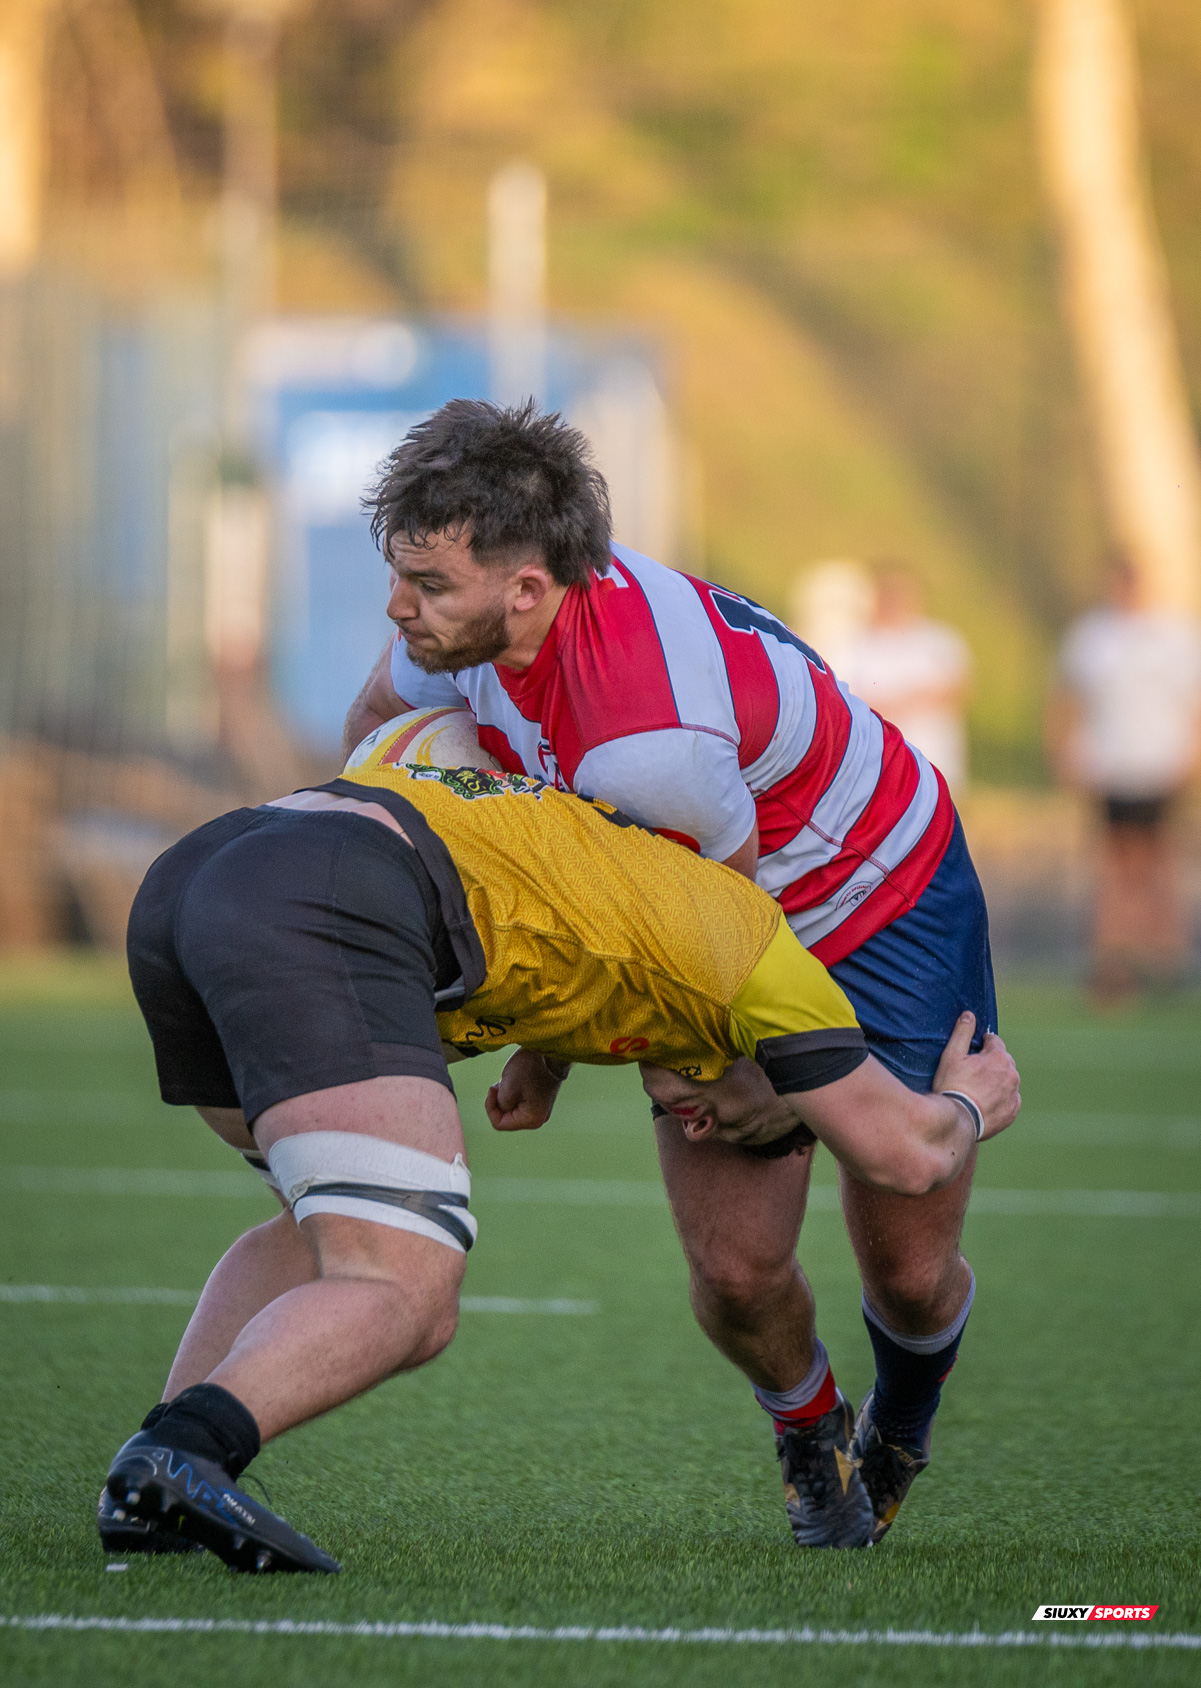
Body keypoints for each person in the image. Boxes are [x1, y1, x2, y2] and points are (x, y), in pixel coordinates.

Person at [101, 716, 1021, 1569]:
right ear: (769, 1060)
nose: (697, 1126)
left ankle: (151, 1477)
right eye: (723, 1108)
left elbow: (556, 913)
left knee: (319, 1228)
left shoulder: (623, 898)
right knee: (406, 1287)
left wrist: (545, 1062)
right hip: (321, 899)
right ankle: (183, 1454)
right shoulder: (747, 953)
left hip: (202, 874)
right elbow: (904, 1153)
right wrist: (971, 1104)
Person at [343, 400, 1002, 1547]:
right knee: (739, 1272)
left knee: (906, 1265)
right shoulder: (464, 629)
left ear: (529, 589)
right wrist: (544, 1048)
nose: (401, 612)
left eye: (429, 586)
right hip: (689, 886)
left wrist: (753, 1068)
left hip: (871, 897)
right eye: (399, 575)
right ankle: (810, 1428)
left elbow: (709, 920)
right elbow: (374, 757)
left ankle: (901, 1417)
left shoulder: (642, 745)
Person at [1047, 555, 1201, 999]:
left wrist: (1190, 756)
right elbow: (1068, 698)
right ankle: (1113, 963)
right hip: (1112, 767)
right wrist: (1066, 753)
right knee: (1114, 867)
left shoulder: (1173, 636)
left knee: (1158, 865)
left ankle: (1166, 961)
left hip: (1160, 765)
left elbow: (1191, 702)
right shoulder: (1093, 636)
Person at [843, 563, 972, 796]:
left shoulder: (940, 640)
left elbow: (956, 691)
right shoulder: (854, 644)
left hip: (936, 761)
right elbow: (846, 701)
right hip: (875, 769)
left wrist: (889, 704)